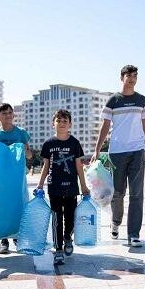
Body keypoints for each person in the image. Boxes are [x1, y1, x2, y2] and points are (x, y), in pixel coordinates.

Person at [91, 65, 145, 247]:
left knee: (136, 194)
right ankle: (116, 222)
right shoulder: (113, 100)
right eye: (129, 75)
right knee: (118, 193)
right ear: (122, 78)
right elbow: (104, 126)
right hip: (117, 151)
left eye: (135, 75)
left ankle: (134, 234)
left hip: (136, 151)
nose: (132, 78)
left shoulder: (141, 100)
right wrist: (97, 150)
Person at [37, 109, 89, 265]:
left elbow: (79, 166)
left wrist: (84, 186)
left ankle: (68, 238)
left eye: (65, 121)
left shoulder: (74, 143)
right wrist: (40, 185)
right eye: (58, 120)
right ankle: (58, 249)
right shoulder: (48, 144)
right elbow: (46, 166)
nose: (61, 123)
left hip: (72, 187)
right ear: (53, 123)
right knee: (57, 219)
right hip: (54, 188)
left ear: (70, 125)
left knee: (71, 217)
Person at [0, 103, 32, 254]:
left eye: (10, 113)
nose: (7, 115)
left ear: (14, 115)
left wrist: (25, 150)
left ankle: (18, 236)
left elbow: (29, 155)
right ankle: (4, 240)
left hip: (18, 178)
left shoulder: (21, 133)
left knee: (19, 205)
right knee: (2, 207)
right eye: (4, 113)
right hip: (1, 179)